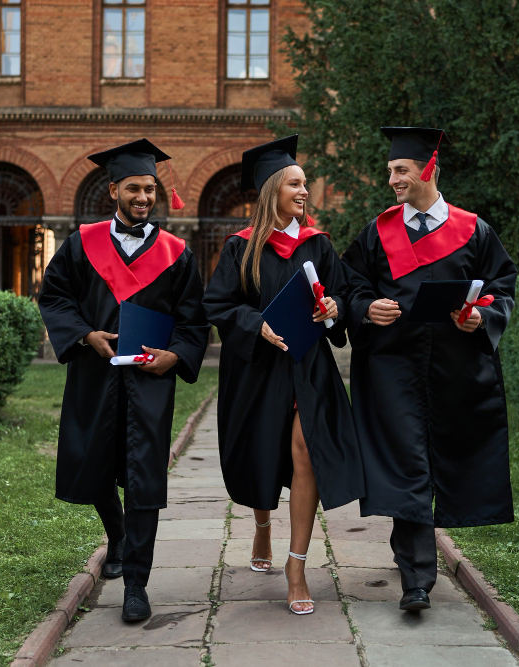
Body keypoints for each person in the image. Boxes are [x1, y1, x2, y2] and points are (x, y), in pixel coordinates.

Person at [342, 126, 517, 612]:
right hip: (392, 369)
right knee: (405, 464)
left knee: (450, 458)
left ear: (428, 168)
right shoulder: (378, 232)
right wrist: (365, 309)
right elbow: (350, 286)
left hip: (455, 370)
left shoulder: (473, 229)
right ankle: (416, 576)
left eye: (401, 171)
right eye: (391, 172)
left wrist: (482, 315)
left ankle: (423, 565)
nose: (393, 180)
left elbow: (502, 286)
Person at [38, 139, 210, 622]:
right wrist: (84, 334)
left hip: (150, 382)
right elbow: (54, 299)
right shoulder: (80, 244)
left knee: (142, 480)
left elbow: (194, 322)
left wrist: (174, 355)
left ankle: (136, 583)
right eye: (133, 187)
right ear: (113, 188)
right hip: (95, 375)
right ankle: (116, 534)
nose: (142, 197)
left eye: (149, 189)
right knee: (91, 466)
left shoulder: (177, 254)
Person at [203, 135, 364, 615]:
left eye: (306, 183)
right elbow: (218, 305)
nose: (304, 191)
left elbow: (341, 300)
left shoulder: (318, 245)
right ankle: (262, 525)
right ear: (272, 189)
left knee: (306, 453)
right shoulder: (241, 248)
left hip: (307, 368)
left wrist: (334, 308)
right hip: (257, 369)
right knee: (263, 454)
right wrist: (257, 324)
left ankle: (297, 565)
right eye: (295, 183)